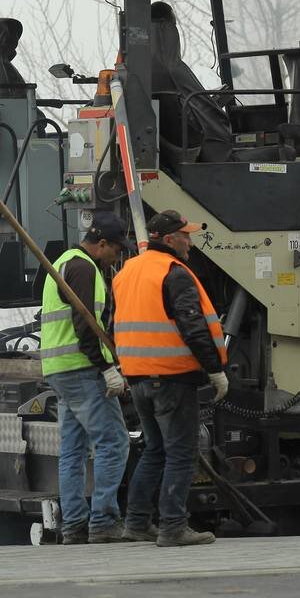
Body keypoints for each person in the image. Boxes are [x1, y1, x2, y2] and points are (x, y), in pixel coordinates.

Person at [112, 209, 229, 547]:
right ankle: (173, 527)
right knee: (181, 453)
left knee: (155, 450)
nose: (190, 241)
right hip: (171, 378)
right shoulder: (174, 273)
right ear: (168, 239)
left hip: (137, 379)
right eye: (184, 235)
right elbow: (193, 327)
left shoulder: (127, 271)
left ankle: (136, 523)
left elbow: (112, 322)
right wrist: (215, 370)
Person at [40, 211, 131, 545]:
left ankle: (74, 526)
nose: (117, 257)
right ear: (102, 243)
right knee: (114, 442)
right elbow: (85, 325)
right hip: (81, 368)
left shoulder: (65, 261)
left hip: (60, 370)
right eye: (116, 250)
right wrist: (106, 368)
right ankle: (104, 521)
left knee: (73, 450)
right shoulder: (84, 268)